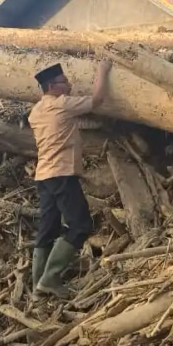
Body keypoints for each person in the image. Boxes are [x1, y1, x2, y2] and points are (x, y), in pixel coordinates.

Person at [29, 60, 112, 298]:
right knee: (80, 225)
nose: (70, 83)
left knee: (49, 228)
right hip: (62, 174)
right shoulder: (62, 105)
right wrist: (101, 71)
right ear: (53, 86)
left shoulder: (36, 112)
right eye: (65, 81)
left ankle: (38, 287)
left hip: (44, 176)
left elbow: (66, 125)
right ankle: (50, 279)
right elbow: (96, 100)